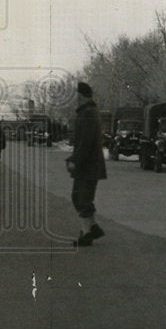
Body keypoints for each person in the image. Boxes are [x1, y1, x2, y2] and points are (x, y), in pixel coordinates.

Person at [68, 81, 107, 247]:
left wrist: (75, 161)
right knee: (79, 197)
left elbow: (85, 141)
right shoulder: (89, 112)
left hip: (87, 164)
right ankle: (93, 227)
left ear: (80, 96)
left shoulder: (87, 113)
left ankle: (87, 234)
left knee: (82, 198)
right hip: (89, 163)